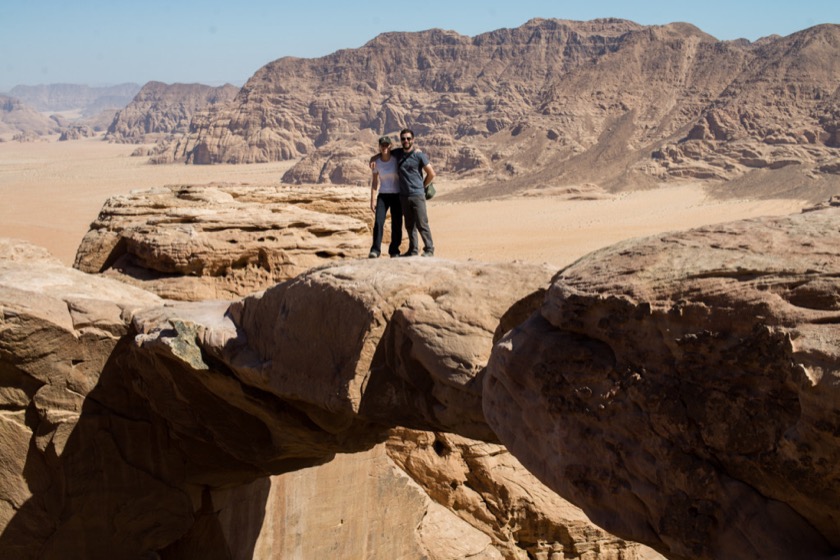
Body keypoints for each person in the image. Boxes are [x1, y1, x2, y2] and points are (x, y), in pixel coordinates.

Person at [371, 128, 436, 256]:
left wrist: (422, 187)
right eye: (403, 139)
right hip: (404, 196)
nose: (406, 141)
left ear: (413, 140)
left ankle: (429, 249)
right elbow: (384, 153)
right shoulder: (398, 154)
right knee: (409, 225)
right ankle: (413, 250)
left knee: (422, 223)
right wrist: (373, 158)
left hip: (416, 195)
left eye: (408, 138)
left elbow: (431, 173)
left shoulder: (419, 155)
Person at [368, 135, 402, 258]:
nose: (384, 147)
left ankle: (394, 251)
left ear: (390, 146)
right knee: (378, 222)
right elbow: (375, 182)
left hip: (396, 194)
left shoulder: (395, 159)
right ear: (379, 147)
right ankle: (375, 250)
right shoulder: (376, 163)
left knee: (397, 223)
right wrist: (372, 200)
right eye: (382, 145)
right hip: (383, 195)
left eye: (386, 145)